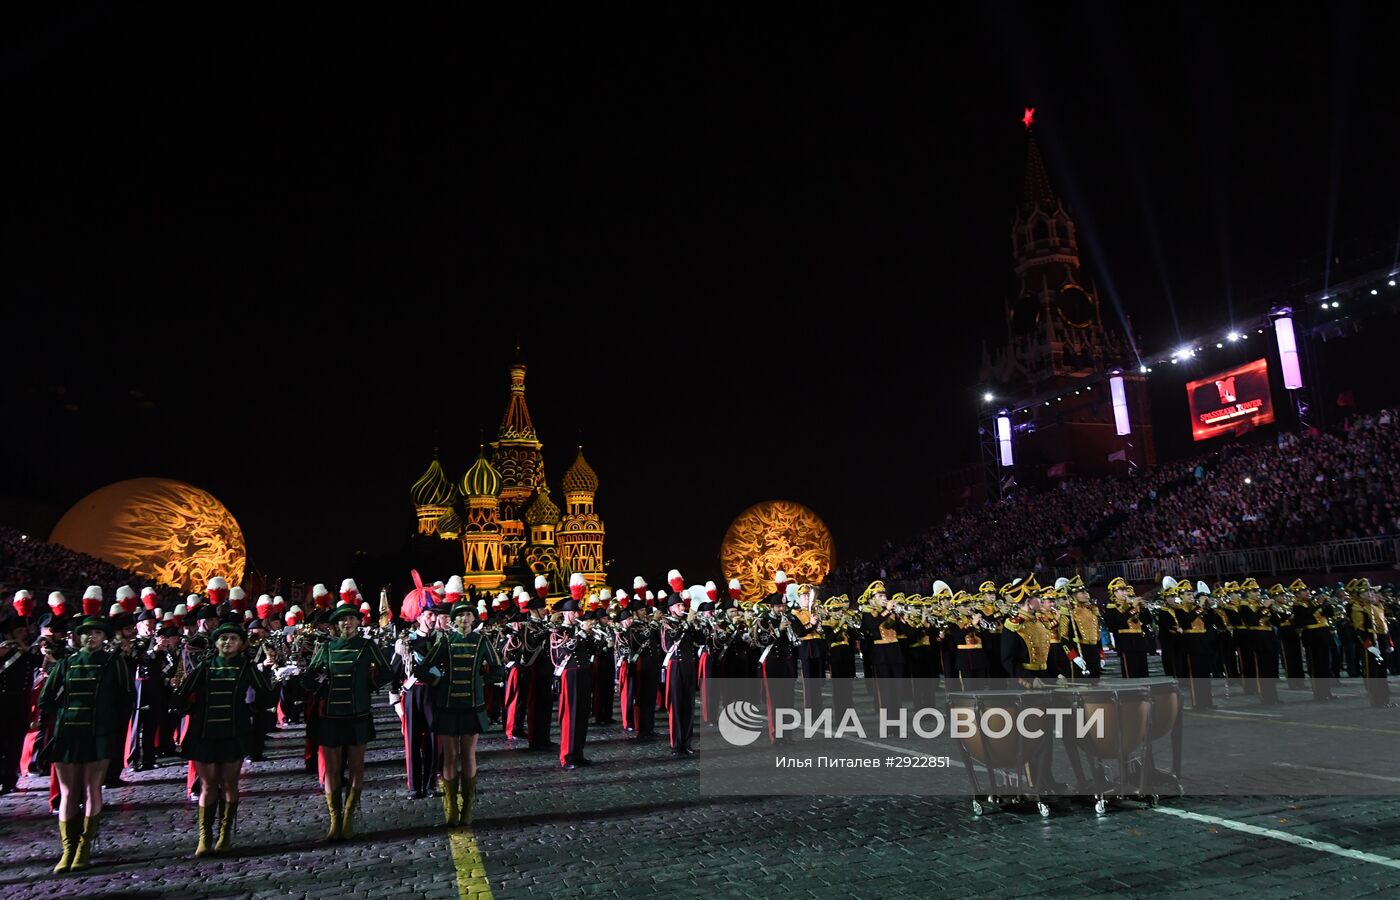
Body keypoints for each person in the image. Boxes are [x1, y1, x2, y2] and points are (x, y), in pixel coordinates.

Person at [38, 611, 134, 873]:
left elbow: (127, 700)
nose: (91, 636)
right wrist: (63, 715)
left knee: (93, 789)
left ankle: (84, 847)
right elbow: (45, 700)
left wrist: (110, 726)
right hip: (68, 734)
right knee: (68, 793)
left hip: (99, 735)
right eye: (86, 633)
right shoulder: (66, 664)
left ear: (105, 637)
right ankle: (67, 848)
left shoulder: (114, 663)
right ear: (79, 637)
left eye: (97, 632)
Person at [177, 622, 274, 856]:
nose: (228, 642)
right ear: (216, 642)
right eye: (223, 638)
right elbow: (181, 696)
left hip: (234, 733)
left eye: (233, 638)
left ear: (241, 644)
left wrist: (250, 711)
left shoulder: (247, 668)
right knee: (208, 785)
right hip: (205, 732)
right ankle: (204, 836)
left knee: (230, 783)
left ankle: (225, 833)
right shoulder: (205, 666)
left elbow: (266, 697)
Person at [304, 598, 394, 841]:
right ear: (336, 625)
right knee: (332, 769)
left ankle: (349, 819)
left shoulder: (367, 646)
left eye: (351, 618)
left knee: (356, 766)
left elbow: (387, 670)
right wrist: (323, 689)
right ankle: (334, 820)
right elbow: (309, 677)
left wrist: (367, 686)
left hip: (358, 714)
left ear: (358, 621)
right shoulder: (326, 648)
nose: (347, 622)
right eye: (342, 619)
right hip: (332, 715)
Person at [417, 599, 500, 825]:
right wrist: (438, 680)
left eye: (468, 615)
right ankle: (452, 806)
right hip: (448, 706)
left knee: (468, 755)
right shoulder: (446, 641)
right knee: (451, 756)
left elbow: (497, 669)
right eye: (460, 616)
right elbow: (423, 668)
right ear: (453, 620)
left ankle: (468, 808)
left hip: (472, 706)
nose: (464, 619)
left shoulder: (482, 641)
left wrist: (479, 682)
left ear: (474, 619)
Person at [391, 599, 439, 799]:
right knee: (412, 741)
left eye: (434, 615)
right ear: (419, 618)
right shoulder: (406, 641)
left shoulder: (440, 640)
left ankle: (430, 785)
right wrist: (395, 701)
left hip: (434, 694)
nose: (433, 619)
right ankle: (414, 786)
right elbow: (395, 671)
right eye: (429, 615)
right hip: (412, 694)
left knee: (434, 741)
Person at [550, 575, 597, 770]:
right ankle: (567, 756)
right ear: (567, 614)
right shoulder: (558, 632)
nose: (578, 615)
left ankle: (578, 753)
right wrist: (583, 633)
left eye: (578, 612)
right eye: (574, 612)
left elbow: (593, 650)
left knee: (582, 715)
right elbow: (565, 650)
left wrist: (591, 635)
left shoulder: (580, 631)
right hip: (569, 675)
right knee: (571, 716)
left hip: (584, 674)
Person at [0, 614, 41, 795]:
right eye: (19, 631)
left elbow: (40, 662)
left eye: (24, 630)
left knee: (16, 742)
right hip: (2, 701)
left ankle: (10, 779)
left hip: (21, 701)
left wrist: (25, 648)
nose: (23, 634)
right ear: (8, 634)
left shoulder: (27, 651)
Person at [661, 588, 700, 756]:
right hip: (676, 666)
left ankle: (687, 742)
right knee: (676, 705)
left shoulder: (688, 622)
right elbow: (668, 645)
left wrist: (698, 626)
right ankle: (677, 744)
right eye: (678, 605)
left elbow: (701, 641)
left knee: (689, 706)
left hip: (690, 666)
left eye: (682, 605)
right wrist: (687, 624)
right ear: (671, 609)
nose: (682, 608)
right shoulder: (667, 623)